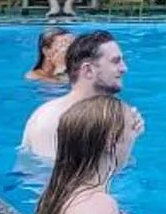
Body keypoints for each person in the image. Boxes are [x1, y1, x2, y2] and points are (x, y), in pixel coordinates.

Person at [33, 94, 149, 214]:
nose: (133, 139)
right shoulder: (96, 205)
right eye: (131, 131)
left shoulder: (58, 194)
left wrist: (126, 130)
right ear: (111, 142)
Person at [20, 30, 127, 161]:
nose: (124, 68)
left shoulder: (102, 115)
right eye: (115, 61)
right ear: (88, 70)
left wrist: (125, 143)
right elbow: (51, 178)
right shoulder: (53, 121)